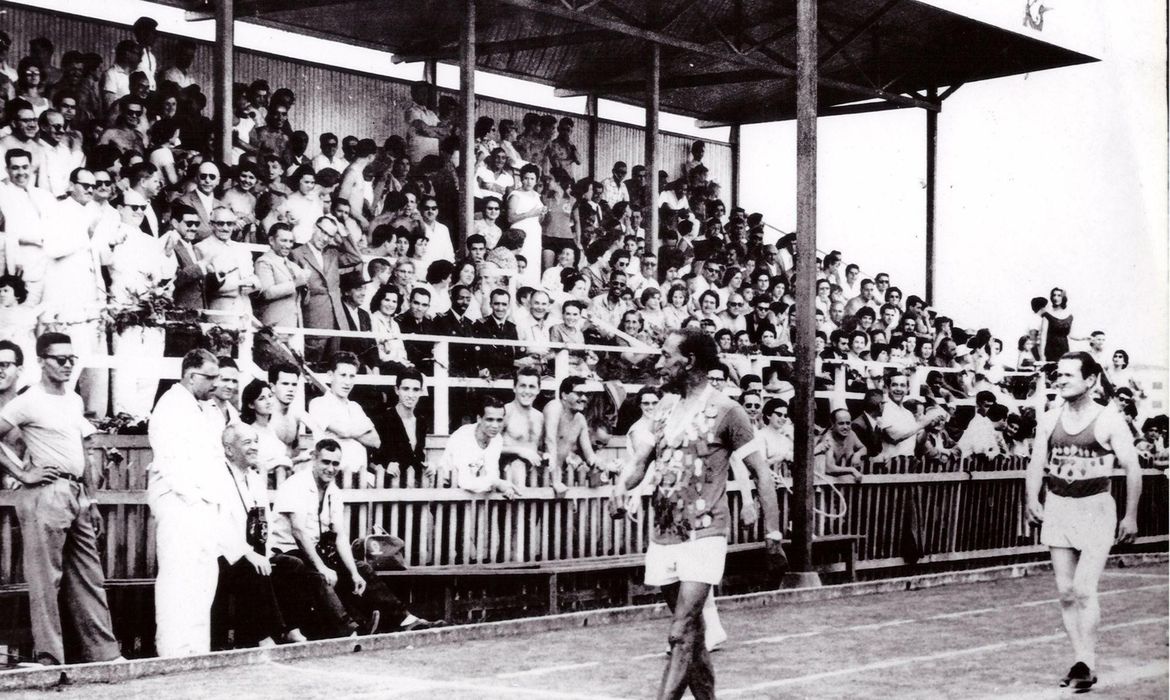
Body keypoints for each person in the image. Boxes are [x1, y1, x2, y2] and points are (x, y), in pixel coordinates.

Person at [612, 328, 784, 700]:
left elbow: (762, 472)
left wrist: (772, 535)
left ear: (689, 362)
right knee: (693, 638)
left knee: (679, 631)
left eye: (665, 356)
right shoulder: (664, 408)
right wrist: (620, 487)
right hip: (664, 534)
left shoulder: (727, 410)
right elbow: (641, 461)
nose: (658, 364)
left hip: (705, 535)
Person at [0, 332, 122, 666]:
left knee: (89, 575)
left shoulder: (73, 399)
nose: (67, 365)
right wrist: (23, 474)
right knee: (45, 579)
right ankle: (49, 657)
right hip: (45, 494)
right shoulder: (27, 400)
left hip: (76, 494)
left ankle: (105, 654)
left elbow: (81, 450)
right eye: (59, 359)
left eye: (71, 359)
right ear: (41, 361)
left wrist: (92, 500)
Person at [1026, 352, 1141, 691]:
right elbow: (1036, 462)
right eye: (1057, 374)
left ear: (1090, 380)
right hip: (1060, 505)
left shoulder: (1108, 420)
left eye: (1068, 375)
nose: (1059, 380)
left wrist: (1130, 515)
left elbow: (1132, 468)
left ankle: (1087, 662)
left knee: (1083, 589)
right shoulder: (1049, 418)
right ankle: (1080, 661)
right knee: (1064, 592)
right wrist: (1032, 499)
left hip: (1095, 508)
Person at [270, 438, 443, 632]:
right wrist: (323, 567)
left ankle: (406, 620)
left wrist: (354, 573)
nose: (330, 468)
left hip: (314, 551)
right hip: (288, 552)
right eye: (325, 462)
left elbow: (340, 535)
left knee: (362, 569)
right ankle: (350, 629)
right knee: (321, 575)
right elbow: (299, 532)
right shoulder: (296, 485)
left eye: (335, 463)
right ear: (314, 459)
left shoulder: (333, 491)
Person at [148, 348, 225, 657]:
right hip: (180, 504)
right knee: (177, 577)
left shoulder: (204, 408)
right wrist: (193, 499)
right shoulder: (170, 407)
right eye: (211, 378)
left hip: (203, 505)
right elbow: (169, 462)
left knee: (203, 579)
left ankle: (195, 650)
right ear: (192, 376)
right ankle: (171, 650)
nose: (216, 385)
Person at [213, 423, 307, 648]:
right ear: (228, 449)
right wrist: (248, 553)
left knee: (291, 565)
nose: (254, 447)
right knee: (253, 569)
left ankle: (290, 629)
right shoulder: (217, 477)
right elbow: (218, 526)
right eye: (247, 443)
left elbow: (265, 522)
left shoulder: (255, 479)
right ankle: (262, 635)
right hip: (225, 554)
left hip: (255, 552)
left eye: (256, 441)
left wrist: (269, 551)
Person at [308, 352, 381, 485]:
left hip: (360, 479)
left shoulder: (355, 407)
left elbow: (375, 440)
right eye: (343, 375)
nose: (347, 382)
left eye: (352, 376)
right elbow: (344, 431)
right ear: (330, 376)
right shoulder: (318, 403)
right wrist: (358, 430)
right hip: (332, 478)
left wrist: (346, 432)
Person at [437, 396, 520, 498]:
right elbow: (465, 482)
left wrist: (505, 487)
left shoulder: (497, 439)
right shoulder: (463, 436)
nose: (495, 425)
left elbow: (492, 472)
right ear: (479, 419)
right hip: (446, 492)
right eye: (490, 419)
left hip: (476, 496)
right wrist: (497, 483)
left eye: (499, 420)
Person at [542, 376, 598, 495]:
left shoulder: (580, 419)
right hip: (544, 474)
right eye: (579, 393)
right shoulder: (554, 407)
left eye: (585, 395)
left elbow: (589, 453)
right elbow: (549, 440)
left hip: (564, 476)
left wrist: (604, 465)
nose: (583, 398)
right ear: (564, 395)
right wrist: (555, 480)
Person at [501, 368, 546, 488]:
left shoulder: (540, 417)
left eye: (532, 386)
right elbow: (490, 447)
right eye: (522, 386)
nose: (527, 391)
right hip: (509, 471)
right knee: (518, 465)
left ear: (538, 390)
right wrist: (520, 451)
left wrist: (545, 455)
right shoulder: (506, 412)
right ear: (514, 388)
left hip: (533, 473)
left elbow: (536, 448)